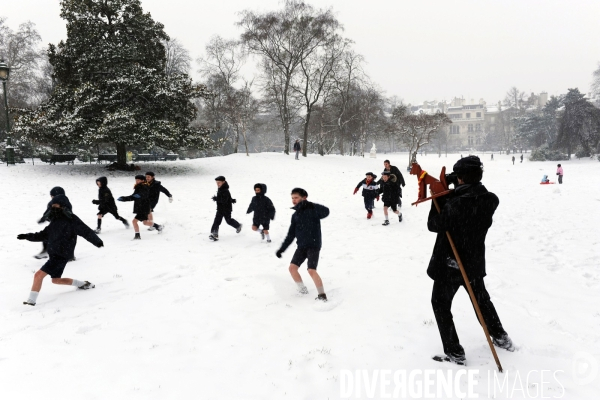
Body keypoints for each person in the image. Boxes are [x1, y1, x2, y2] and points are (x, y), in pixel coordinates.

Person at [427, 155, 514, 366]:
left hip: (451, 263)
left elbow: (434, 224)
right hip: (473, 262)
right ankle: (500, 336)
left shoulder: (455, 204)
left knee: (440, 303)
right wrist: (453, 191)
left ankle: (455, 352)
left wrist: (438, 197)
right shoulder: (490, 199)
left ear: (461, 178)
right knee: (481, 301)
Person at [17, 194, 103, 306]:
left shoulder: (72, 220)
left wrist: (97, 241)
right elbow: (43, 235)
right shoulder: (55, 221)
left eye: (56, 206)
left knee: (38, 275)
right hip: (54, 254)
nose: (54, 208)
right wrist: (27, 236)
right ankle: (83, 284)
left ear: (63, 206)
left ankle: (31, 302)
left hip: (61, 254)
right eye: (52, 206)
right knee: (56, 280)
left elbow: (86, 231)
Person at [276, 188, 330, 301]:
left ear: (303, 197)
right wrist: (282, 249)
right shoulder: (295, 215)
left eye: (296, 197)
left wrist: (311, 205)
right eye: (292, 198)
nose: (293, 200)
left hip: (314, 245)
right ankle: (302, 290)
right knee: (292, 268)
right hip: (301, 246)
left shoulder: (312, 209)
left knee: (311, 270)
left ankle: (322, 295)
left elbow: (326, 211)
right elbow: (291, 234)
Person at [35, 186, 76, 261]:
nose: (51, 197)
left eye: (52, 196)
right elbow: (49, 212)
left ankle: (68, 256)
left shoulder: (61, 203)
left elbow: (68, 214)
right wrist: (45, 218)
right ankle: (46, 251)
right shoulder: (59, 202)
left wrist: (44, 218)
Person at [118, 175, 162, 240]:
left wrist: (139, 195)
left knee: (134, 221)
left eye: (138, 180)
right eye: (136, 180)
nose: (137, 181)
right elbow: (133, 197)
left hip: (143, 207)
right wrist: (124, 198)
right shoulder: (138, 187)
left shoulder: (145, 186)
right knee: (145, 222)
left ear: (143, 180)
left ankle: (137, 236)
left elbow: (144, 194)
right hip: (141, 207)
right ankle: (158, 226)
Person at [209, 176, 242, 241]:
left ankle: (238, 226)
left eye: (219, 182)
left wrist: (216, 199)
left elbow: (224, 200)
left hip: (226, 209)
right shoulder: (221, 188)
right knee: (217, 221)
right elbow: (227, 198)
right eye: (217, 183)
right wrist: (231, 200)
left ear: (223, 182)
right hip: (220, 209)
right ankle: (214, 234)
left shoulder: (225, 190)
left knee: (228, 221)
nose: (217, 184)